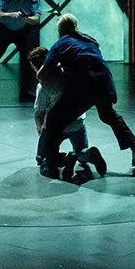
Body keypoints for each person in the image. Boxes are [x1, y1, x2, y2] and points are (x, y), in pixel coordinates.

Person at [35, 13, 135, 178]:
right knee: (109, 116)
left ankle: (51, 165)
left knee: (53, 119)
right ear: (75, 27)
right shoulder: (90, 40)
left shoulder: (60, 44)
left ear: (60, 31)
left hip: (84, 86)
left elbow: (46, 69)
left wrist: (39, 75)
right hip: (105, 83)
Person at [27, 46, 106, 180]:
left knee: (42, 158)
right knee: (82, 153)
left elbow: (39, 112)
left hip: (56, 126)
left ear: (36, 66)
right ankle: (87, 154)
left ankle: (67, 157)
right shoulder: (70, 73)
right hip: (78, 122)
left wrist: (41, 131)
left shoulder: (44, 84)